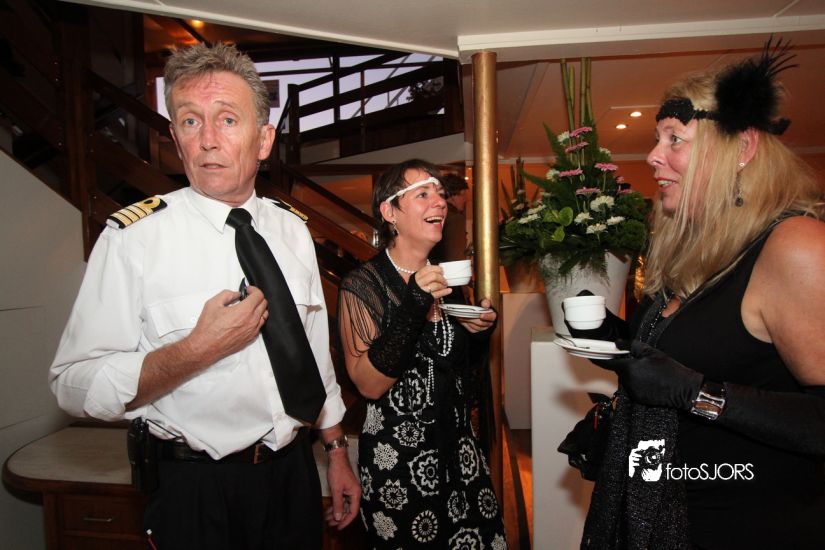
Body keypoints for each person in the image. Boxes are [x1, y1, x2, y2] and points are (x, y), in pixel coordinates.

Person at [49, 42, 360, 549]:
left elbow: (311, 357)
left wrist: (337, 452)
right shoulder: (133, 239)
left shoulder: (292, 231)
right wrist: (196, 350)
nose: (208, 140)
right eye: (191, 121)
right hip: (194, 490)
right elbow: (72, 385)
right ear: (176, 139)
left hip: (293, 477)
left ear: (263, 140)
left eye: (228, 120)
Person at [567, 38, 825, 549]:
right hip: (662, 511)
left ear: (742, 149)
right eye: (657, 139)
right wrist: (613, 339)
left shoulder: (795, 245)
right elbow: (688, 356)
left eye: (675, 139)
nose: (652, 156)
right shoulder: (692, 250)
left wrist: (696, 394)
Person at [337, 159, 507, 548]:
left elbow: (456, 370)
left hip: (461, 455)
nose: (440, 202)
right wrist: (414, 303)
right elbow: (368, 384)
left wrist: (479, 332)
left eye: (441, 194)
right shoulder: (362, 286)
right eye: (423, 194)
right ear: (389, 212)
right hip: (397, 466)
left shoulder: (449, 281)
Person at [430, 173, 470, 263]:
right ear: (453, 195)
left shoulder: (433, 215)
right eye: (463, 195)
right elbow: (456, 257)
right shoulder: (455, 219)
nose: (465, 199)